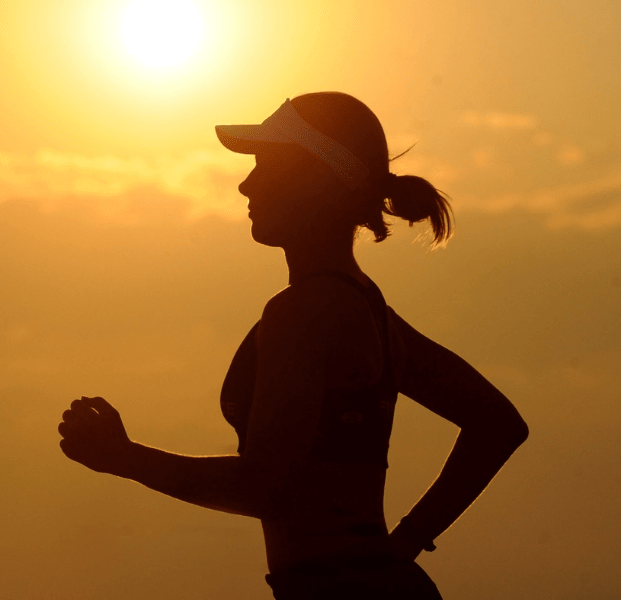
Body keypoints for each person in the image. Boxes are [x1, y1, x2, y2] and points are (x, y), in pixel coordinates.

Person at [56, 92, 529, 599]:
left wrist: (125, 459)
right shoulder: (368, 311)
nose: (245, 184)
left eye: (266, 166)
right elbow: (497, 424)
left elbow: (265, 487)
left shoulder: (304, 313)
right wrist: (408, 539)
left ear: (315, 181)